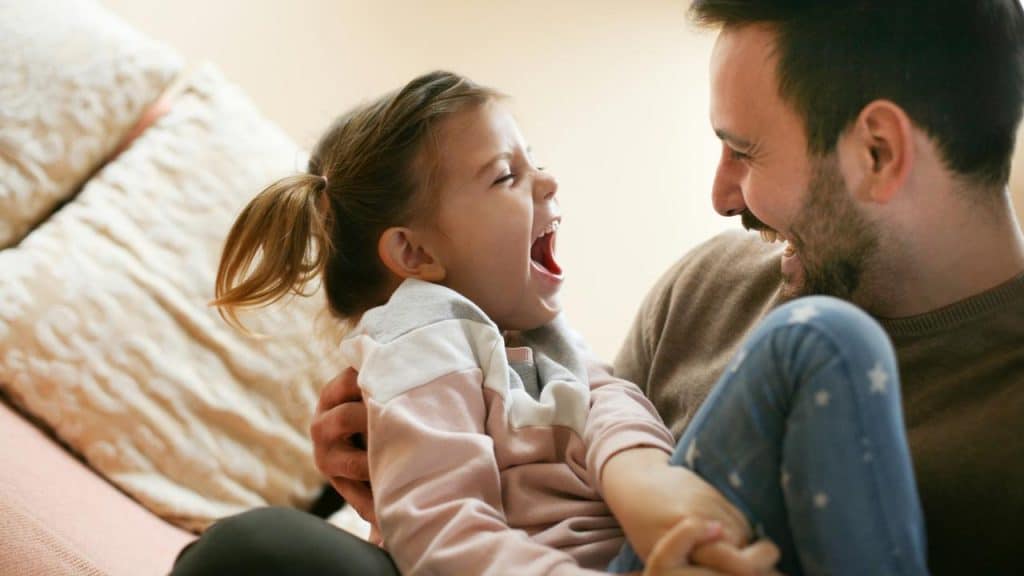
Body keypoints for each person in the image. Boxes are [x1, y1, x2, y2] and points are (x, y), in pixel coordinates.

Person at [175, 0, 1024, 574]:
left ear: (878, 152)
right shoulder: (713, 285)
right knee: (255, 555)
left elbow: (596, 413)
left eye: (747, 152)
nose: (721, 197)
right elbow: (554, 465)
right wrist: (399, 465)